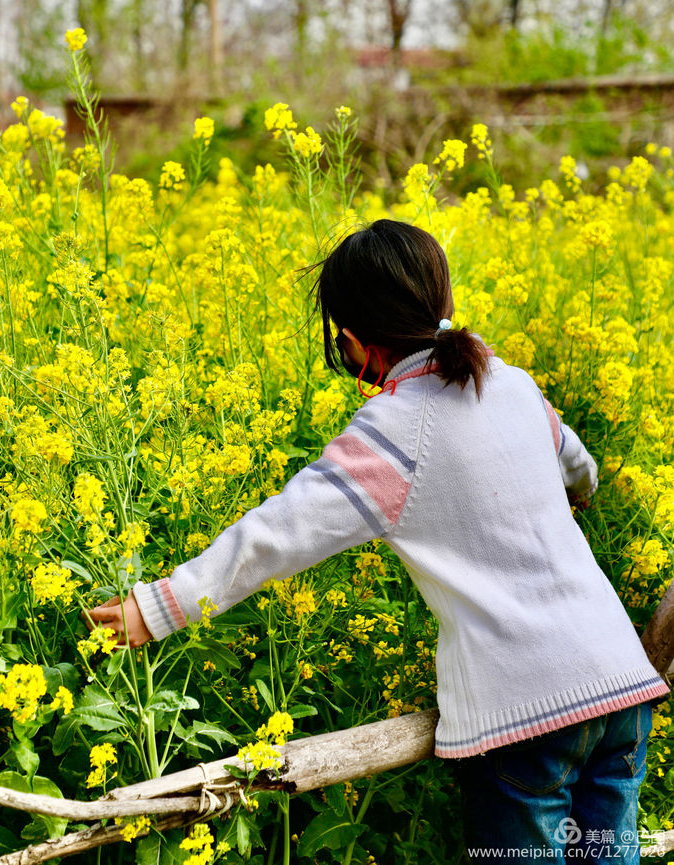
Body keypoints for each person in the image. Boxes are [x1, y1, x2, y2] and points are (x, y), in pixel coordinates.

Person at [87, 219, 669, 863]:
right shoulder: (514, 385)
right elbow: (578, 463)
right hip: (620, 689)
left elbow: (278, 534)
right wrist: (576, 491)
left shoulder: (395, 431)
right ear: (441, 300)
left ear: (354, 342)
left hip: (528, 717)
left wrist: (159, 607)